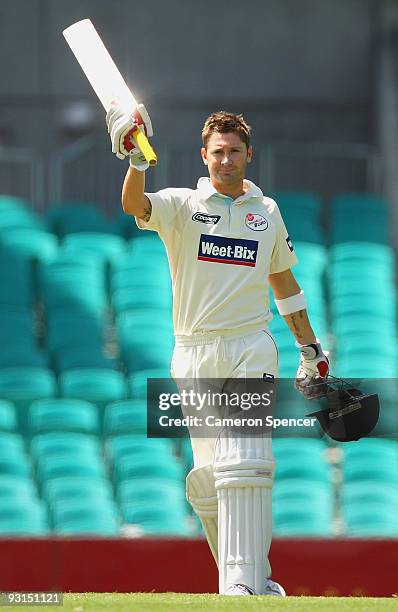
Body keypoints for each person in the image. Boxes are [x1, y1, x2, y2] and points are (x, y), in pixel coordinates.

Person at [106, 103, 329, 596]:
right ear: (203, 155)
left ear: (249, 155)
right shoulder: (183, 206)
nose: (226, 160)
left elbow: (284, 283)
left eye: (235, 152)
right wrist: (136, 162)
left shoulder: (265, 212)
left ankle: (246, 586)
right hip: (193, 351)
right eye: (218, 152)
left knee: (245, 460)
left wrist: (309, 347)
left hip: (251, 344)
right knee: (210, 478)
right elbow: (133, 206)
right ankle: (244, 581)